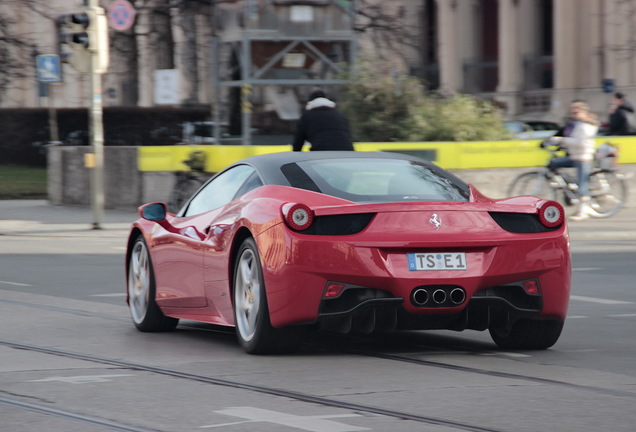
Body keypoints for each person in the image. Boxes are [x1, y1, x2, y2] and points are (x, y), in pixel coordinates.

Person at [544, 101, 599, 221]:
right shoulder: (577, 124)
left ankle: (583, 210)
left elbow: (579, 142)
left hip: (583, 157)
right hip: (575, 156)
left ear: (583, 112)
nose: (573, 114)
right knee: (554, 163)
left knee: (582, 184)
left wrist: (561, 141)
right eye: (572, 112)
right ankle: (568, 188)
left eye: (576, 112)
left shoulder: (586, 125)